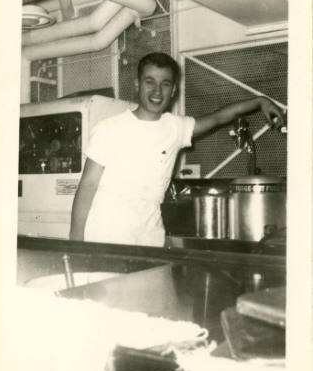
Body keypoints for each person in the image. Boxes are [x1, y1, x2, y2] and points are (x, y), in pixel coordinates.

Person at [69, 52, 284, 247]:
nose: (157, 91)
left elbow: (219, 117)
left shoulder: (175, 127)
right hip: (105, 236)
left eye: (165, 84)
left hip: (149, 238)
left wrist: (258, 101)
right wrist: (76, 243)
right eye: (149, 82)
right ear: (137, 84)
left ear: (173, 90)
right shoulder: (109, 129)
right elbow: (87, 186)